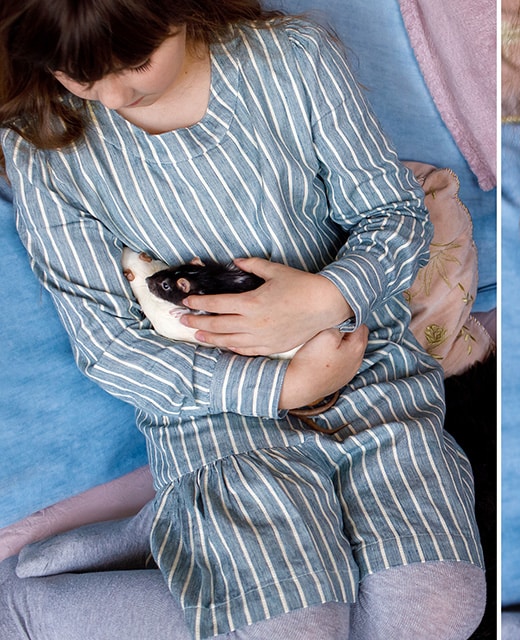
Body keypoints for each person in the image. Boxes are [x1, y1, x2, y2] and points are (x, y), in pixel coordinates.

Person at [0, 0, 485, 638]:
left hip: (372, 377)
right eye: (79, 77)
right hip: (216, 424)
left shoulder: (292, 58)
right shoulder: (44, 148)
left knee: (437, 616)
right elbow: (108, 346)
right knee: (294, 628)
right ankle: (33, 604)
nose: (113, 96)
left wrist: (324, 297)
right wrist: (281, 388)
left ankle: (165, 534)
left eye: (137, 64)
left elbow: (394, 213)